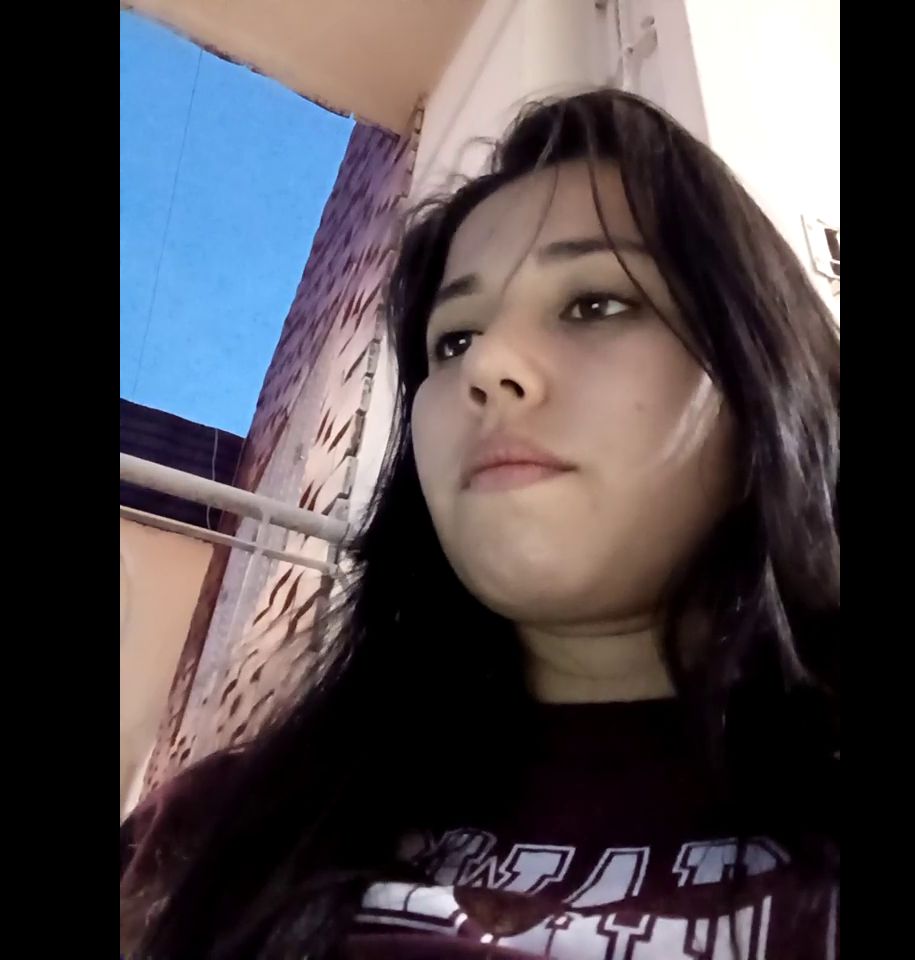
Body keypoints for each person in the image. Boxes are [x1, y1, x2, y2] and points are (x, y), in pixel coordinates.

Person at [120, 89, 840, 960]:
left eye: (595, 304)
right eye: (453, 339)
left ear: (763, 373)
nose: (487, 365)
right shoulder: (216, 836)